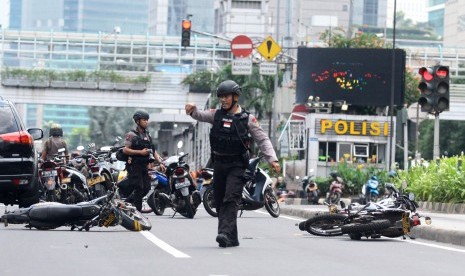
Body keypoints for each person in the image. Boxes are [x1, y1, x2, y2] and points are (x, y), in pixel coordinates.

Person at [185, 80, 281, 248]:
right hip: (219, 163)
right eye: (221, 97)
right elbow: (199, 115)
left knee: (231, 197)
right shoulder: (216, 114)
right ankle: (232, 237)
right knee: (220, 200)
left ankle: (223, 233)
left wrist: (272, 158)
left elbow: (262, 139)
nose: (223, 100)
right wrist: (192, 109)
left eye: (226, 96)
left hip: (237, 165)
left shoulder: (248, 119)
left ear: (235, 97)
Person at [122, 110, 165, 212]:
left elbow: (153, 151)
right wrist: (140, 152)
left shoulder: (147, 135)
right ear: (137, 121)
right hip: (134, 166)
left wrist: (160, 163)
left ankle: (126, 203)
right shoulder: (131, 134)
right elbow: (125, 149)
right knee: (139, 188)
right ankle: (138, 212)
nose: (146, 122)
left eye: (147, 120)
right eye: (144, 120)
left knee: (146, 188)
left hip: (143, 167)